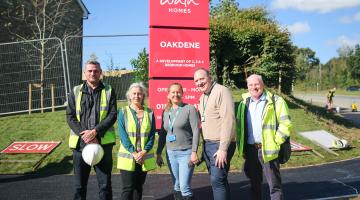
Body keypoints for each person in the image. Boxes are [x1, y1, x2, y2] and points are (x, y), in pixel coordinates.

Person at [236, 74, 292, 200]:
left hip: (268, 150)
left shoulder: (276, 101)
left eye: (256, 84)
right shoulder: (244, 102)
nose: (254, 87)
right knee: (254, 186)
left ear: (263, 85)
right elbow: (240, 127)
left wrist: (275, 142)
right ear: (247, 87)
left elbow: (286, 124)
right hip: (251, 150)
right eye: (250, 85)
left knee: (274, 187)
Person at [66, 60, 117, 200]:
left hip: (103, 144)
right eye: (89, 71)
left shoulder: (109, 90)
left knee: (105, 185)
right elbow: (70, 116)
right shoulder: (75, 91)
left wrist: (95, 132)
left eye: (95, 71)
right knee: (79, 186)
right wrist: (86, 135)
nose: (93, 73)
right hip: (80, 145)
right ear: (85, 73)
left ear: (100, 73)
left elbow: (113, 115)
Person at [193, 68, 236, 200]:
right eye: (196, 81)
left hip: (220, 145)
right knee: (220, 181)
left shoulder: (221, 91)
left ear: (210, 77)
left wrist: (223, 149)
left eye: (202, 79)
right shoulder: (203, 96)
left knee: (217, 181)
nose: (199, 82)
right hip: (209, 144)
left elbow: (228, 120)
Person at [156, 83, 200, 200]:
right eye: (173, 92)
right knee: (177, 185)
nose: (176, 94)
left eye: (178, 92)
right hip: (171, 153)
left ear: (182, 93)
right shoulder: (166, 111)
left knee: (184, 186)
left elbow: (196, 131)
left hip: (186, 153)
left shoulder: (189, 109)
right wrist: (158, 153)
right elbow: (163, 133)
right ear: (168, 95)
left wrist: (194, 152)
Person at [117, 82, 156, 200]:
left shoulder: (150, 113)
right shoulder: (123, 112)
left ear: (143, 96)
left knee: (138, 187)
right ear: (129, 95)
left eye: (139, 93)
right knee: (128, 188)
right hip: (129, 156)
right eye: (134, 93)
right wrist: (134, 153)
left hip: (143, 156)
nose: (136, 96)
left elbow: (151, 135)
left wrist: (144, 152)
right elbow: (122, 135)